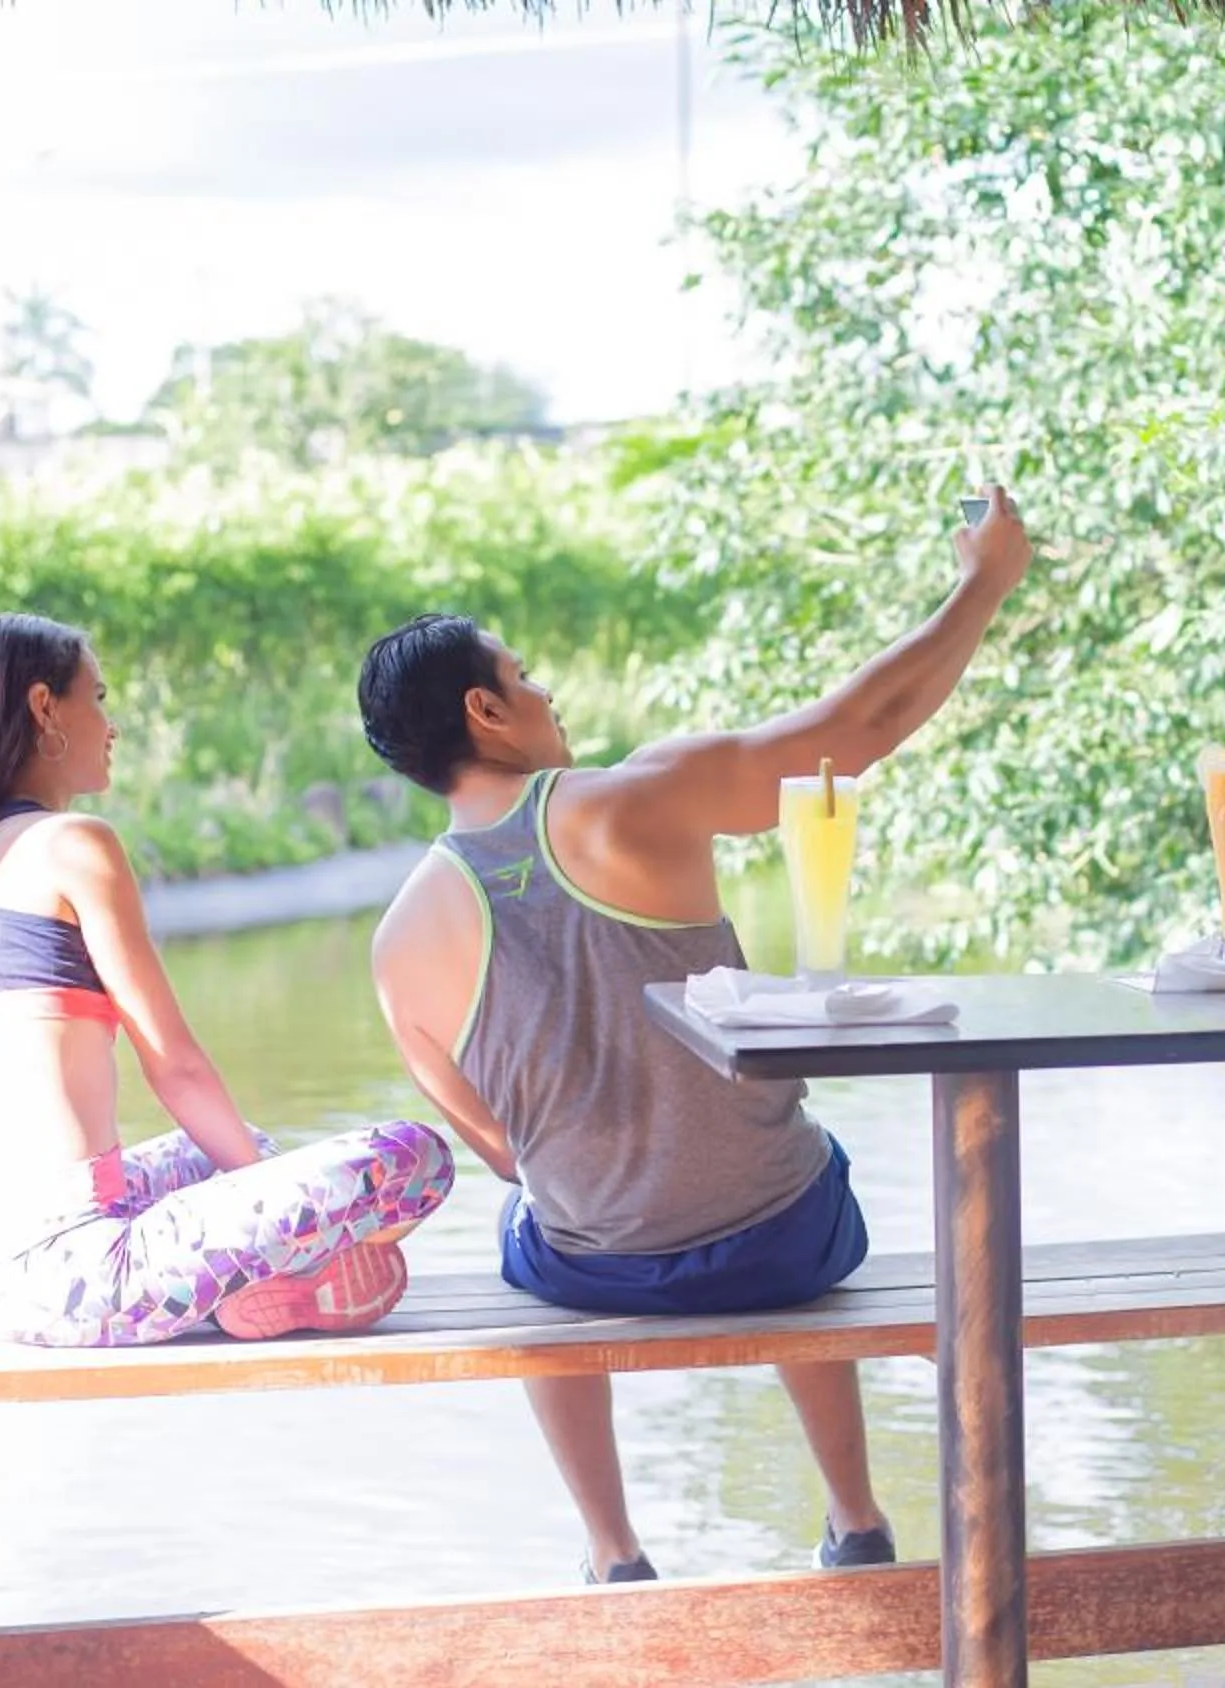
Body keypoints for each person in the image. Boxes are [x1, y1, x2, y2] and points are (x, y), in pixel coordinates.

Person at [359, 486, 1033, 1584]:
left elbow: (505, 1151)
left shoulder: (397, 943)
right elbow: (853, 736)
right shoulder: (637, 800)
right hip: (785, 1237)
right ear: (485, 711)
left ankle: (614, 1551)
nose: (545, 689)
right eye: (524, 675)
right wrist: (983, 583)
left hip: (594, 1271)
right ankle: (856, 1519)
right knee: (784, 1159)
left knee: (525, 1231)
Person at [0, 612, 453, 1347]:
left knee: (226, 1150)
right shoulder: (73, 845)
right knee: (414, 1155)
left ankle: (271, 1278)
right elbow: (177, 1067)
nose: (111, 724)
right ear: (46, 708)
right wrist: (290, 1210)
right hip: (73, 1278)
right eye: (97, 697)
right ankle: (293, 1273)